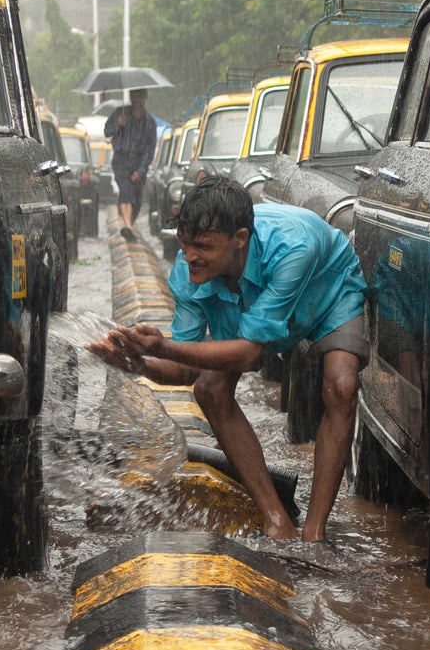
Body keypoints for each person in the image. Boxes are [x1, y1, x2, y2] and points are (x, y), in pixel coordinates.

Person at [90, 178, 367, 542]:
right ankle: (276, 519)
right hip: (254, 307)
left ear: (239, 239)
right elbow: (187, 371)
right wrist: (138, 364)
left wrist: (160, 347)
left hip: (327, 291)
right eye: (184, 243)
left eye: (202, 246)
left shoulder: (291, 247)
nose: (190, 255)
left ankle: (315, 531)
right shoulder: (188, 272)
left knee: (341, 387)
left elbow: (249, 353)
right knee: (209, 388)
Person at [103, 88, 158, 233]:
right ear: (130, 97)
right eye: (133, 96)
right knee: (125, 191)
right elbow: (107, 131)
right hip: (121, 160)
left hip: (138, 162)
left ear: (145, 98)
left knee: (137, 201)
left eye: (139, 96)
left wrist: (140, 171)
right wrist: (118, 125)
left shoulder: (150, 122)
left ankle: (129, 226)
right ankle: (127, 226)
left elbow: (150, 149)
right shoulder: (120, 113)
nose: (136, 99)